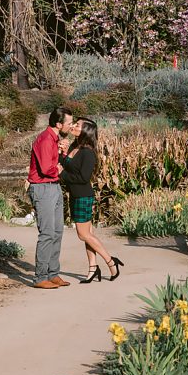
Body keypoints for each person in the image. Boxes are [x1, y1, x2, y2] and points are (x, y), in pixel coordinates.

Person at [60, 117, 123, 282]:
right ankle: (93, 268)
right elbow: (67, 165)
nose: (73, 126)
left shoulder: (88, 152)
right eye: (74, 123)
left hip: (83, 195)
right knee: (88, 234)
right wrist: (62, 154)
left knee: (83, 235)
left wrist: (61, 174)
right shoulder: (75, 146)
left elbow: (83, 177)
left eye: (77, 125)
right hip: (75, 194)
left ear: (86, 131)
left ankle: (111, 261)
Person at [27, 107, 74, 289]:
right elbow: (47, 169)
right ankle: (40, 278)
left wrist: (62, 153)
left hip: (53, 187)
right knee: (47, 233)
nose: (71, 126)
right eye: (69, 123)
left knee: (57, 232)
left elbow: (54, 164)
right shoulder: (46, 139)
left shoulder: (55, 139)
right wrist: (59, 169)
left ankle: (53, 273)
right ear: (58, 124)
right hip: (43, 188)